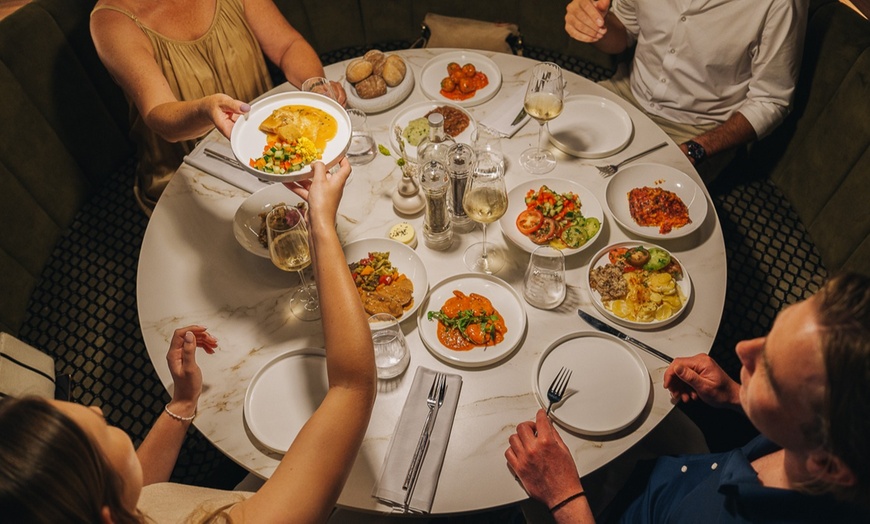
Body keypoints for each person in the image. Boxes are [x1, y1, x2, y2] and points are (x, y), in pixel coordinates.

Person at [0, 158, 378, 523]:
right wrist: (320, 228)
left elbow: (139, 494)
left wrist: (181, 403)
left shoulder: (111, 508)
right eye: (100, 431)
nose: (98, 412)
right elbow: (352, 387)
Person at [506, 272, 870, 523]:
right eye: (773, 332)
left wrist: (564, 497)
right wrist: (740, 397)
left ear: (829, 465)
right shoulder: (833, 447)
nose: (742, 348)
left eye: (772, 375)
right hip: (683, 474)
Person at [89, 0, 347, 215]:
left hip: (270, 152)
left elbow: (288, 46)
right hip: (189, 178)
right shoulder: (110, 21)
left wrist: (315, 90)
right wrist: (205, 111)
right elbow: (159, 113)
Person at [564, 0, 808, 183]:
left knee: (632, 201)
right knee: (553, 151)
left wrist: (697, 148)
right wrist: (596, 25)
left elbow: (772, 100)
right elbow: (625, 31)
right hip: (625, 92)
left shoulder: (782, 4)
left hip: (698, 130)